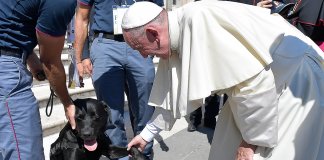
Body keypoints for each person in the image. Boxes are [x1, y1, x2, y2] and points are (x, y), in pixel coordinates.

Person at [121, 1, 324, 160]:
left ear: (153, 34)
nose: (144, 56)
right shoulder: (174, 34)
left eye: (139, 47)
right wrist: (147, 135)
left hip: (294, 80)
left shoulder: (200, 21)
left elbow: (254, 85)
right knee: (225, 150)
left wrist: (250, 143)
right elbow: (172, 95)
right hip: (260, 93)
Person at [74, 0, 163, 159]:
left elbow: (158, 12)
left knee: (146, 107)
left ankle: (144, 154)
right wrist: (81, 57)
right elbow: (82, 16)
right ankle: (118, 156)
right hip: (106, 43)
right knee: (110, 113)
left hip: (140, 41)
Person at [0, 0, 77, 159]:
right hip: (6, 72)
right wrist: (67, 103)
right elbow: (50, 62)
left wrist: (31, 59)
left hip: (10, 56)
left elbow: (10, 21)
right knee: (26, 153)